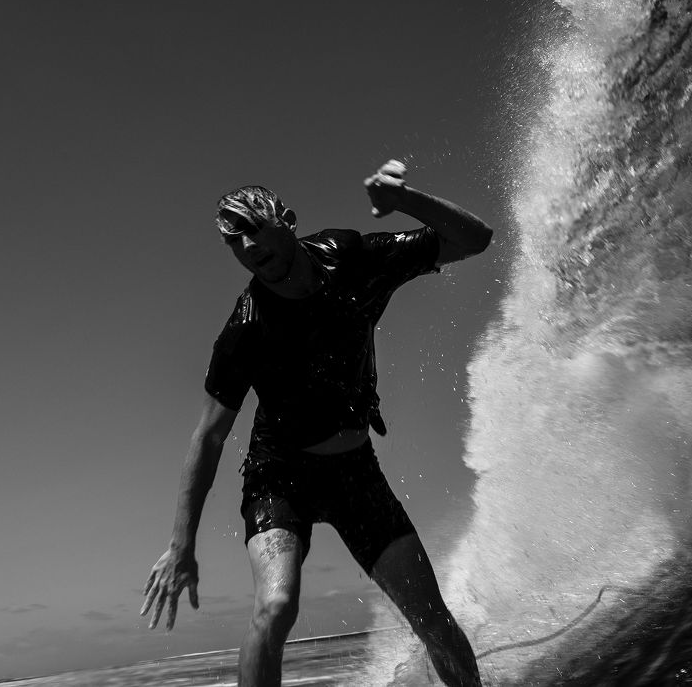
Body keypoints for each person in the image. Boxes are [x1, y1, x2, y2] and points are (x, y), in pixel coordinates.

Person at [141, 159, 491, 687]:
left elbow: (474, 239)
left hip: (355, 474)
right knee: (276, 606)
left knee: (431, 618)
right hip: (278, 477)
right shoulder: (245, 329)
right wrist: (180, 546)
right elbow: (210, 435)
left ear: (286, 218)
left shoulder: (350, 259)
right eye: (235, 243)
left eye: (255, 229)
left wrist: (406, 200)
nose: (249, 248)